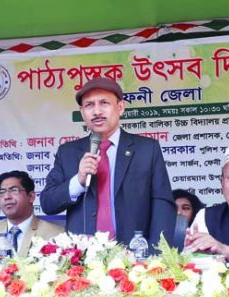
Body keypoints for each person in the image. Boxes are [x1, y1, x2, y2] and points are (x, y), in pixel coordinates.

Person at [40, 77, 176, 246]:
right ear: (82, 112)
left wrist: (157, 256)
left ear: (120, 107)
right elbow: (47, 203)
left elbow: (162, 206)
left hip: (134, 257)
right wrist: (78, 181)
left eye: (104, 103)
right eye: (89, 105)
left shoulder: (147, 149)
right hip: (82, 260)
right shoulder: (67, 152)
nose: (97, 111)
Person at [0, 171, 63, 258]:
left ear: (31, 197)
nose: (7, 197)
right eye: (2, 192)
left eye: (14, 190)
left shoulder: (56, 235)